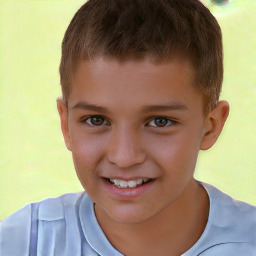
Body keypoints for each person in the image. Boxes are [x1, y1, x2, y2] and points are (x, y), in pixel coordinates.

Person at [1, 0, 255, 255]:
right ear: (66, 124)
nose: (124, 157)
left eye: (160, 122)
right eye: (96, 120)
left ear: (210, 127)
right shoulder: (25, 243)